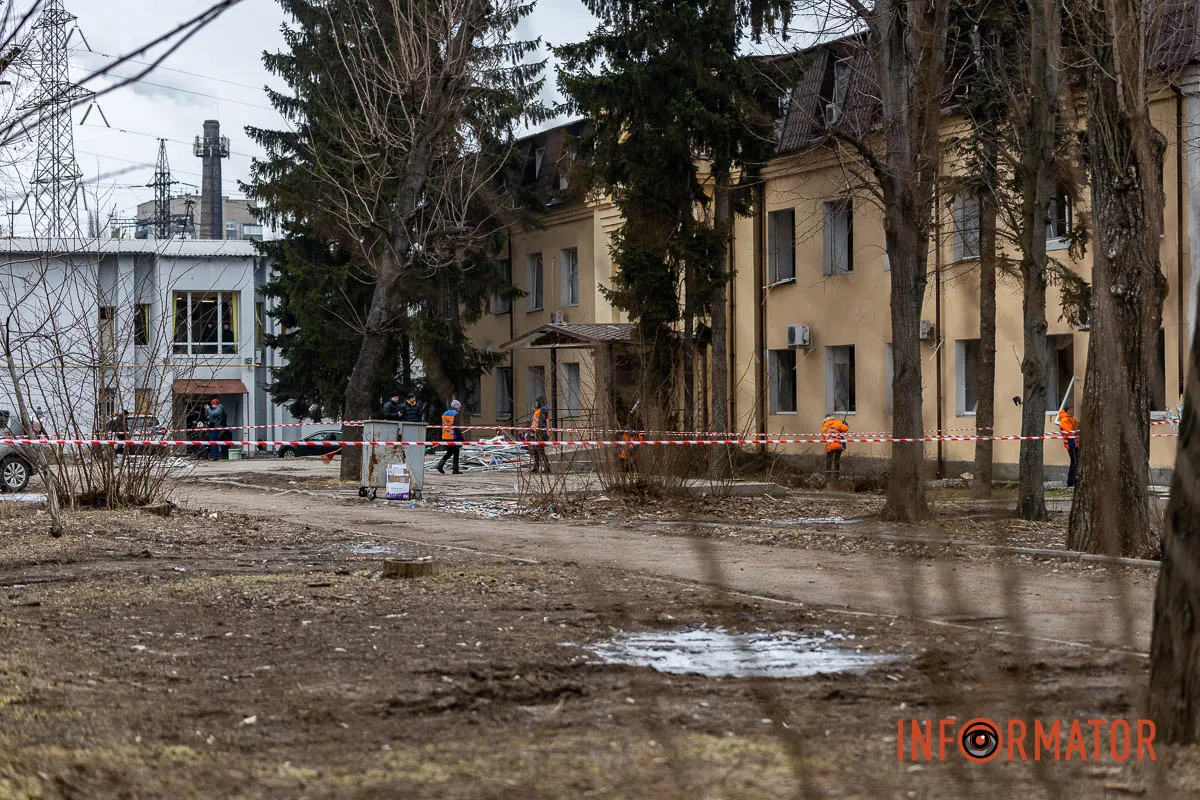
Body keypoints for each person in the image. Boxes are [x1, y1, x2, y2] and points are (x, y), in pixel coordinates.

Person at [436, 399, 464, 474]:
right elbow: (456, 426)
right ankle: (442, 465)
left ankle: (454, 469)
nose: (459, 409)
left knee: (452, 451)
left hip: (445, 435)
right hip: (453, 436)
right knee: (453, 452)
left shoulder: (444, 414)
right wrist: (461, 437)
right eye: (459, 407)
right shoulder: (455, 414)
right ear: (456, 407)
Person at [821, 414, 850, 485]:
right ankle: (836, 478)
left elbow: (824, 437)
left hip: (829, 446)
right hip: (838, 445)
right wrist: (845, 423)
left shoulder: (824, 427)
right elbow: (845, 429)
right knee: (837, 461)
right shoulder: (837, 422)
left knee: (829, 462)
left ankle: (828, 479)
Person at [1057, 406, 1080, 489]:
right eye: (1070, 410)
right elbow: (1070, 432)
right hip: (1071, 443)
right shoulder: (1065, 420)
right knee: (1074, 462)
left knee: (1075, 461)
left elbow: (1077, 424)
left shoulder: (1070, 419)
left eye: (1072, 410)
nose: (1072, 411)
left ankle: (1073, 481)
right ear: (1066, 411)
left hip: (1074, 443)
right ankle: (1071, 482)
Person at [530, 394, 551, 473]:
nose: (535, 403)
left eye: (536, 402)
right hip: (537, 433)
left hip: (541, 434)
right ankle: (536, 467)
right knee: (536, 450)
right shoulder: (540, 410)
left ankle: (547, 467)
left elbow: (541, 424)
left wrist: (539, 435)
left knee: (541, 451)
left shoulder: (543, 410)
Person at [206, 397, 228, 462]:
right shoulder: (216, 409)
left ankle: (215, 456)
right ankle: (214, 455)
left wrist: (208, 409)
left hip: (216, 428)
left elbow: (213, 414)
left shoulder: (219, 409)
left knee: (214, 442)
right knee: (213, 442)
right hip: (214, 428)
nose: (212, 405)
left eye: (212, 404)